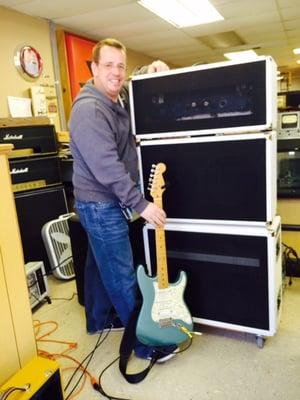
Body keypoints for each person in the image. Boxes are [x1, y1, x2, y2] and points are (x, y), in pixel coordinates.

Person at [69, 38, 177, 362]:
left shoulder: (114, 96)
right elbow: (108, 169)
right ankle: (146, 344)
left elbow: (130, 85)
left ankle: (99, 320)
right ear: (93, 68)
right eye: (108, 65)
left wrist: (149, 70)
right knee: (122, 277)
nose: (116, 72)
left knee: (100, 264)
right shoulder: (90, 110)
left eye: (121, 65)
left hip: (106, 201)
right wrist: (142, 204)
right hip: (101, 204)